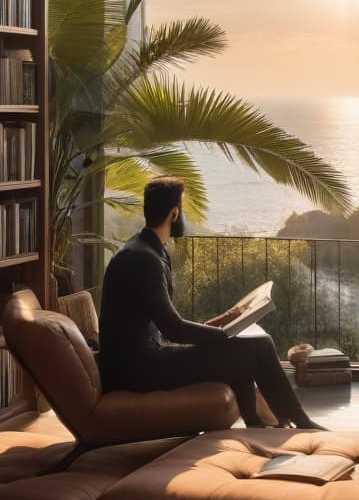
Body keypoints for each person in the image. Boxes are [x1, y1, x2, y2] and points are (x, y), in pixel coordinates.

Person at [98, 176, 326, 430]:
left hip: (139, 362)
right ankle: (302, 423)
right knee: (260, 347)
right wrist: (222, 335)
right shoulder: (144, 259)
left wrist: (221, 330)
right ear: (175, 213)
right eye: (182, 209)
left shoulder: (144, 249)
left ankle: (258, 426)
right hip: (140, 370)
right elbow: (173, 329)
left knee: (245, 349)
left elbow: (164, 322)